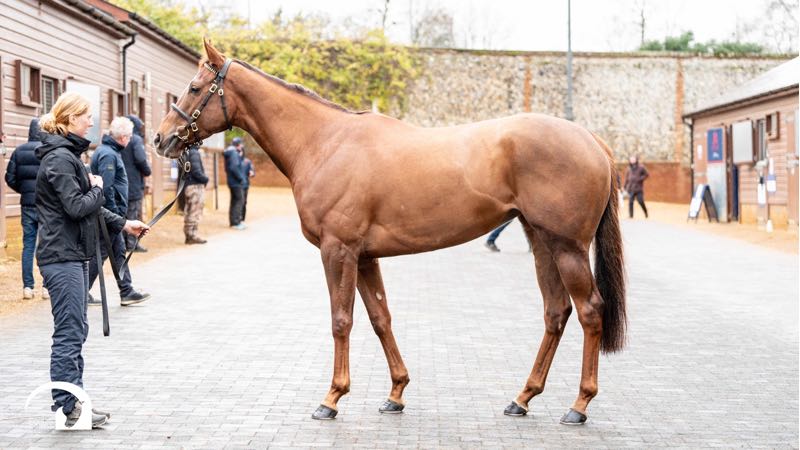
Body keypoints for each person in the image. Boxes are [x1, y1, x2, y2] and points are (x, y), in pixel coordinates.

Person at [35, 92, 150, 428]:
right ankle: (68, 408)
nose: (91, 122)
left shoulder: (68, 155)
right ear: (71, 118)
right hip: (61, 256)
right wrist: (98, 187)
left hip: (71, 254)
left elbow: (90, 208)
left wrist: (125, 224)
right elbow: (77, 206)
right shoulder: (59, 159)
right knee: (69, 332)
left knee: (77, 329)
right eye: (86, 116)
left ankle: (75, 402)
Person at [87, 117, 150, 306]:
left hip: (111, 215)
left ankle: (126, 291)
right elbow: (106, 188)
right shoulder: (108, 155)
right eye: (129, 137)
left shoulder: (110, 151)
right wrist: (116, 216)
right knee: (101, 253)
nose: (130, 140)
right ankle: (82, 292)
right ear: (123, 137)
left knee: (118, 252)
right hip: (109, 215)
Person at [5, 118, 49, 300]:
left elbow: (10, 178)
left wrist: (24, 190)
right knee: (46, 245)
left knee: (28, 245)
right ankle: (46, 287)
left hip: (27, 205)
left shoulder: (18, 151)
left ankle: (28, 287)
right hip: (46, 205)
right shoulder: (48, 151)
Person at [121, 115, 152, 253]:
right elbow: (140, 159)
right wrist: (147, 171)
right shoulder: (136, 139)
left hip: (122, 182)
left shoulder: (120, 138)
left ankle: (123, 242)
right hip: (133, 182)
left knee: (123, 213)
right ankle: (132, 244)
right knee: (134, 213)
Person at [184, 144, 209, 244]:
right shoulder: (194, 153)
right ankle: (191, 236)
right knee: (194, 212)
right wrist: (205, 179)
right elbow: (196, 171)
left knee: (190, 211)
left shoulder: (187, 152)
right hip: (195, 186)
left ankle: (190, 235)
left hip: (189, 186)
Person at [223, 137, 246, 230]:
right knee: (239, 200)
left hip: (231, 181)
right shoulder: (234, 153)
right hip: (236, 182)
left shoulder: (231, 152)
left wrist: (240, 155)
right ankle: (236, 222)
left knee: (234, 201)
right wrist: (241, 178)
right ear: (238, 145)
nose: (242, 146)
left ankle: (233, 222)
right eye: (241, 144)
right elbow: (234, 167)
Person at [624, 154, 649, 218]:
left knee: (641, 201)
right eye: (631, 159)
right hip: (631, 188)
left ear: (636, 159)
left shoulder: (641, 167)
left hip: (638, 189)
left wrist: (640, 179)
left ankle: (646, 212)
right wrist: (625, 186)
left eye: (633, 159)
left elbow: (647, 174)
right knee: (630, 202)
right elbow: (626, 179)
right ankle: (631, 216)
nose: (632, 160)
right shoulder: (629, 168)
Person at [239, 147, 255, 224]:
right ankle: (238, 218)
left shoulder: (247, 162)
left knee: (244, 202)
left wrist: (252, 173)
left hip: (245, 185)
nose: (239, 153)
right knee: (239, 202)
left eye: (240, 151)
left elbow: (252, 171)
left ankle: (242, 219)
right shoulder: (235, 161)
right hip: (238, 185)